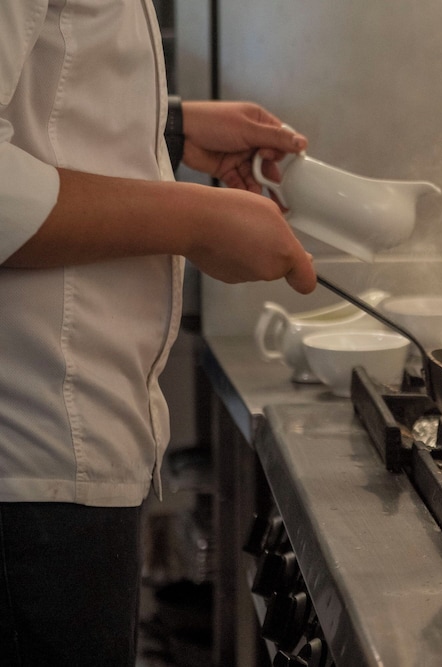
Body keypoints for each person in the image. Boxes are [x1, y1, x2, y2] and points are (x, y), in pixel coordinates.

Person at [0, 1, 317, 665]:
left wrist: (169, 128)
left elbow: (42, 87)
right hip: (28, 463)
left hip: (59, 451)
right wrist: (197, 221)